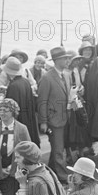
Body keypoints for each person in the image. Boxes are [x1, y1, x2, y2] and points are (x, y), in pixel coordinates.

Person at [38, 46, 72, 183]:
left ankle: (51, 171)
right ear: (57, 60)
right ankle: (63, 176)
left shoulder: (67, 75)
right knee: (58, 150)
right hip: (54, 120)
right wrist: (43, 121)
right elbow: (42, 101)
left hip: (65, 118)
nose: (67, 60)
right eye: (65, 58)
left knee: (58, 148)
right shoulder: (47, 78)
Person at [4, 57, 40, 147]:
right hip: (28, 120)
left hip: (18, 122)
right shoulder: (26, 81)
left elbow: (10, 110)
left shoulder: (13, 86)